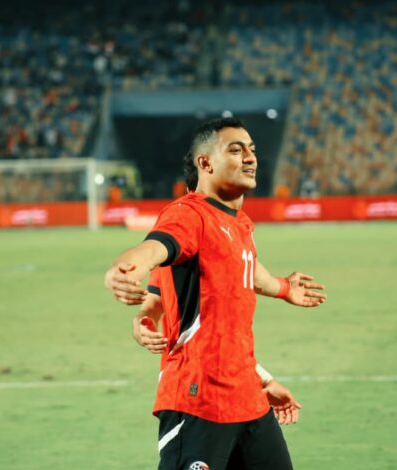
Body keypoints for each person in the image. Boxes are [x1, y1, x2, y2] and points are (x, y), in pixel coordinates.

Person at [104, 117, 326, 469]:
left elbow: (243, 273)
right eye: (236, 150)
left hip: (248, 398)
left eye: (252, 149)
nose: (250, 157)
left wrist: (284, 288)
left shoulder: (240, 224)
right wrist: (124, 269)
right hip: (199, 401)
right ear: (205, 163)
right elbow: (152, 251)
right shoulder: (190, 216)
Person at [133, 267, 302, 427]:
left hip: (241, 391)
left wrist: (265, 380)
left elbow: (227, 337)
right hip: (191, 394)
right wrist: (143, 323)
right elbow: (152, 305)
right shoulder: (177, 253)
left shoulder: (236, 250)